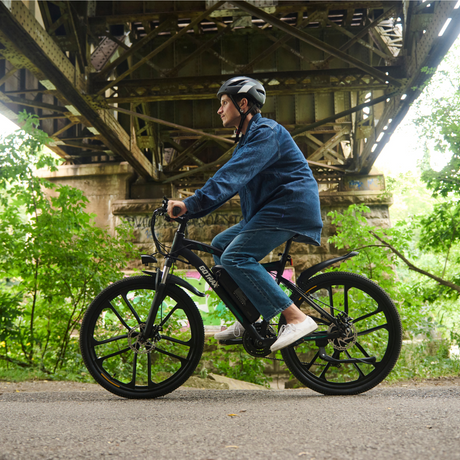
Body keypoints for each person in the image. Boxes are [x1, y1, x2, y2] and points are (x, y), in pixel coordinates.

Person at [167, 76, 323, 352]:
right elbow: (229, 184)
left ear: (243, 104)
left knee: (236, 256)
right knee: (220, 246)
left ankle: (295, 318)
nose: (219, 109)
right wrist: (194, 210)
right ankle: (248, 314)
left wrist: (191, 203)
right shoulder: (248, 141)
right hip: (270, 210)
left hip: (289, 208)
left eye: (224, 103)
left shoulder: (266, 133)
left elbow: (230, 177)